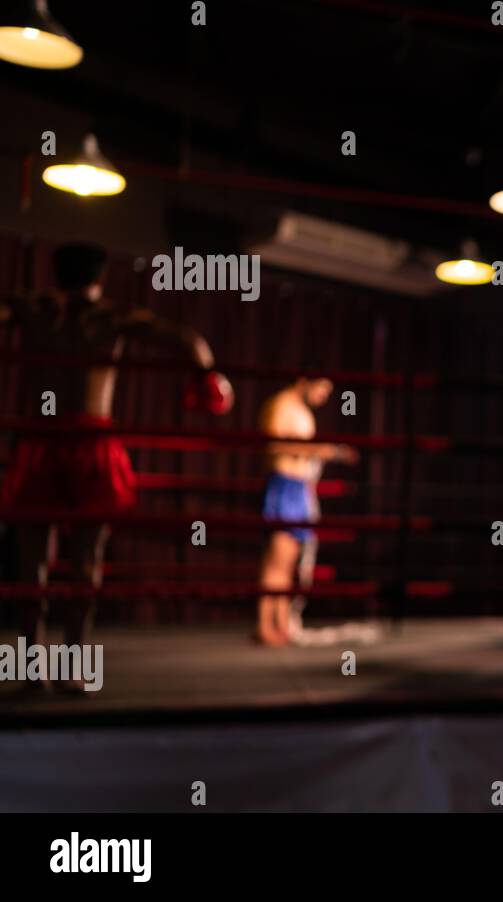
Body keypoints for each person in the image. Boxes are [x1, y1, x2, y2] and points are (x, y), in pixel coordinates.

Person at [0, 242, 232, 691]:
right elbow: (190, 341)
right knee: (86, 563)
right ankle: (76, 669)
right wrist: (207, 381)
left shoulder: (33, 310)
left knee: (32, 565)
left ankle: (32, 670)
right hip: (90, 440)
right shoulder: (112, 317)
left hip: (41, 438)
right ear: (100, 277)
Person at [255, 374, 357, 647]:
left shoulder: (301, 411)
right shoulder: (281, 405)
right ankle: (265, 626)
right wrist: (320, 450)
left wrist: (324, 452)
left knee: (289, 564)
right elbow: (274, 445)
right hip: (284, 485)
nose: (323, 396)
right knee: (277, 561)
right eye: (322, 388)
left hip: (299, 488)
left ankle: (280, 623)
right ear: (305, 380)